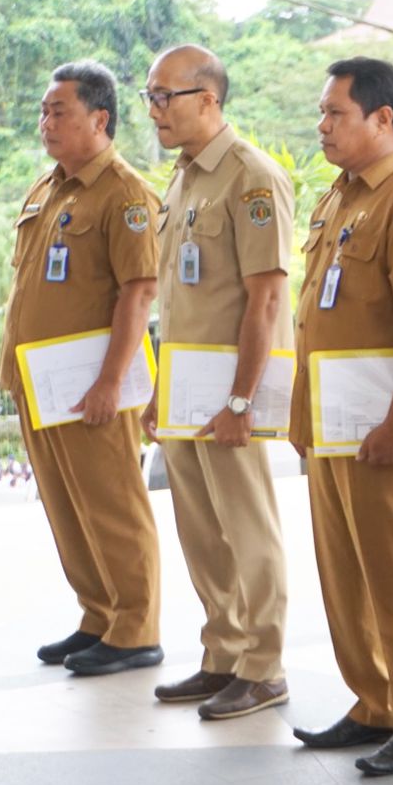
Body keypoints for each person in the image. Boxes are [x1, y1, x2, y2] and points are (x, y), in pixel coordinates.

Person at [283, 58, 393, 774]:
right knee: (346, 575)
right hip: (332, 426)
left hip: (383, 430)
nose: (323, 126)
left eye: (336, 114)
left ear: (383, 120)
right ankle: (374, 700)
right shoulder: (340, 198)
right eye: (322, 113)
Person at [141, 44, 293, 721]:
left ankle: (264, 667)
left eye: (165, 96)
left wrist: (241, 400)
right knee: (201, 530)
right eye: (150, 96)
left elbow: (264, 300)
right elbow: (177, 298)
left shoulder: (249, 177)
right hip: (184, 389)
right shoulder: (180, 180)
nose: (154, 110)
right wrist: (157, 389)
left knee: (248, 531)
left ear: (208, 99)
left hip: (234, 394)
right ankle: (222, 654)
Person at [2, 60, 164, 677]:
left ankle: (136, 628)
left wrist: (110, 382)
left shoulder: (123, 194)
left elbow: (138, 294)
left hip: (92, 387)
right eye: (44, 111)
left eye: (58, 111)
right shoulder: (49, 188)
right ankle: (98, 616)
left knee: (113, 507)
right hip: (40, 383)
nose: (46, 122)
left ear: (100, 118)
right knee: (67, 507)